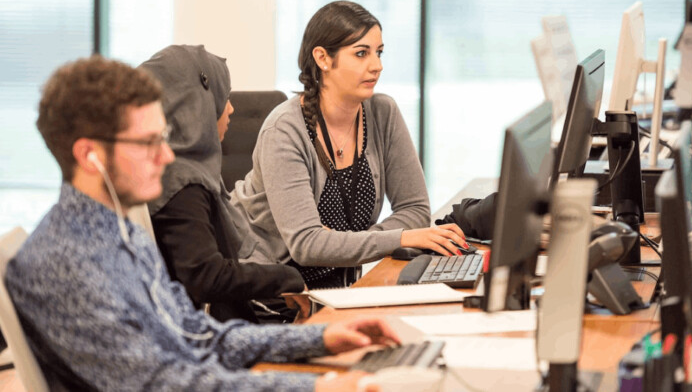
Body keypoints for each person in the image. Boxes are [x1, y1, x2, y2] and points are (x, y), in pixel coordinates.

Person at [5, 55, 399, 391]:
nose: (165, 156)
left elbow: (198, 335)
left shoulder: (118, 233)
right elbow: (165, 384)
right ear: (89, 155)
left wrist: (320, 339)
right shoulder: (67, 262)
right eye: (148, 143)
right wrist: (313, 386)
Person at [232, 0, 468, 288]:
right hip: (273, 292)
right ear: (322, 58)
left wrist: (344, 243)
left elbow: (415, 209)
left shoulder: (382, 112)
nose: (377, 66)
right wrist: (399, 237)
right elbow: (307, 245)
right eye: (361, 54)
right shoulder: (284, 130)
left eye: (379, 53)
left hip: (340, 286)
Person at [140, 45, 304, 323]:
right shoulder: (182, 183)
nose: (231, 108)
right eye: (223, 97)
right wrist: (286, 278)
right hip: (211, 335)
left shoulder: (185, 171)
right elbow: (206, 277)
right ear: (197, 105)